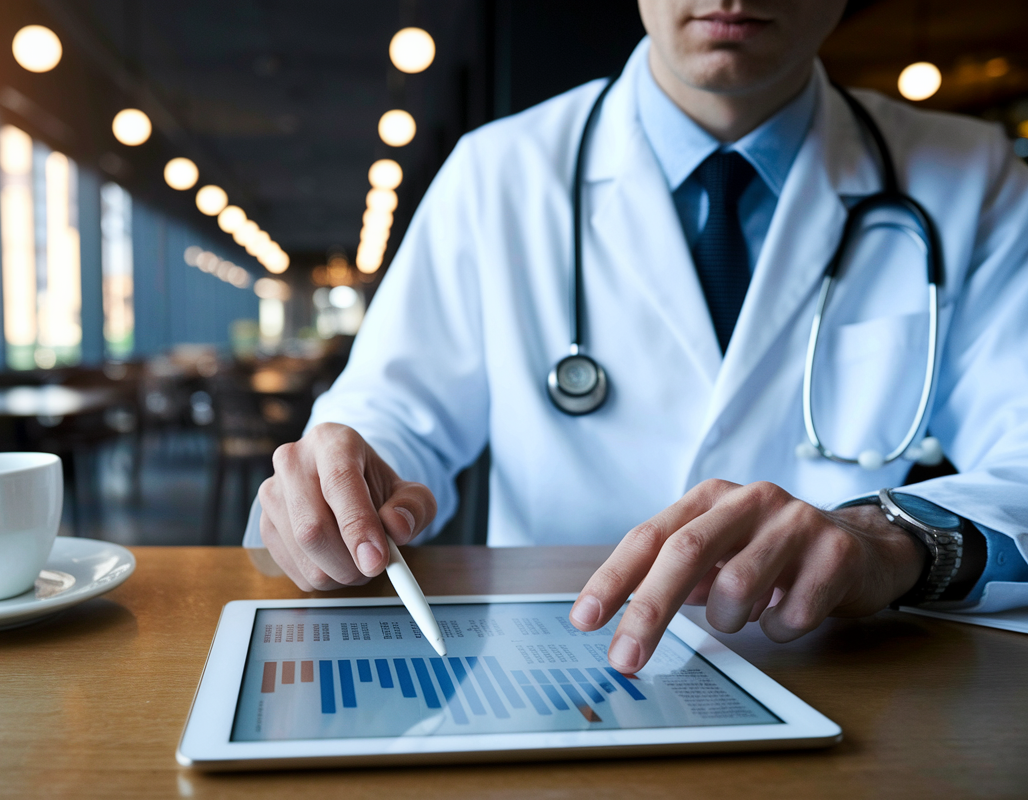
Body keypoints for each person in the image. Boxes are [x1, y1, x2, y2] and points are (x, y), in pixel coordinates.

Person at [244, 0, 1028, 674]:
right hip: (554, 682)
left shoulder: (976, 178)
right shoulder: (497, 174)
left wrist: (889, 538)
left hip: (857, 679)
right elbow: (391, 414)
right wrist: (349, 482)